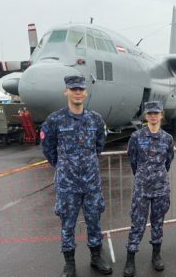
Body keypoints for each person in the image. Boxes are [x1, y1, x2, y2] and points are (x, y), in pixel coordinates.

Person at [40, 75, 112, 277]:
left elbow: (99, 145)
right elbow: (48, 149)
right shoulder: (55, 120)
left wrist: (86, 164)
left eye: (81, 89)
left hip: (91, 184)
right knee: (67, 225)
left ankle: (96, 257)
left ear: (86, 92)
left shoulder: (96, 119)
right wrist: (63, 165)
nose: (78, 93)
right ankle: (69, 264)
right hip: (67, 186)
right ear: (66, 92)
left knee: (94, 222)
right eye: (74, 89)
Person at [123, 101, 175, 277]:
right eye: (150, 113)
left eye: (156, 113)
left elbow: (168, 161)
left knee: (158, 222)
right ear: (146, 116)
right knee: (137, 223)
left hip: (161, 188)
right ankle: (130, 259)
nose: (153, 116)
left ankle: (156, 255)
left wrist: (156, 175)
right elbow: (132, 160)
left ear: (161, 115)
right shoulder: (136, 137)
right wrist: (143, 176)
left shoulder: (167, 138)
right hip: (142, 189)